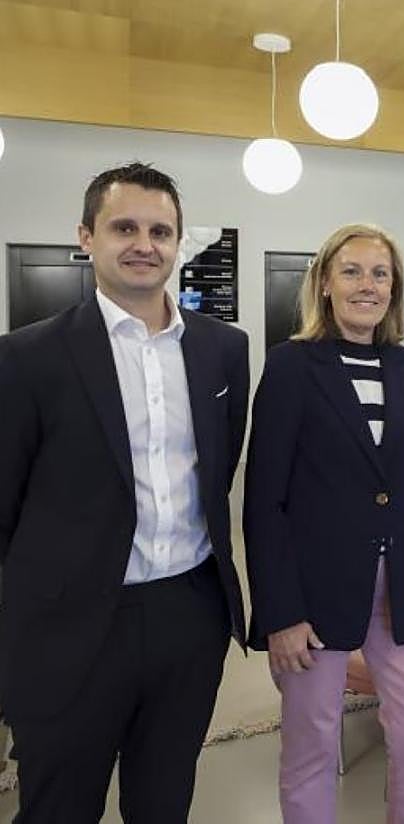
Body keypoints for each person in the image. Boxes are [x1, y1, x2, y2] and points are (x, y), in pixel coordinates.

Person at [0, 162, 249, 822]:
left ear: (178, 242)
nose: (145, 244)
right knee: (59, 807)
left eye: (160, 231)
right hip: (70, 624)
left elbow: (217, 471)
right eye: (124, 228)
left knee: (164, 803)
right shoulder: (27, 358)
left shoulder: (223, 349)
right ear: (87, 236)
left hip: (189, 614)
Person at [243, 223, 404, 824]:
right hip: (314, 593)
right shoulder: (291, 366)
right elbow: (264, 501)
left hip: (403, 587)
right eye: (352, 271)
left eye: (380, 274)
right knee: (311, 745)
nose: (368, 285)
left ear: (394, 288)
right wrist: (280, 613)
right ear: (325, 284)